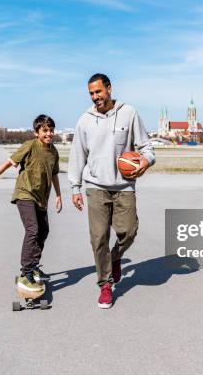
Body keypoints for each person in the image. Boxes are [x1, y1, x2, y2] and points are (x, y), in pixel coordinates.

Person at [68, 73, 155, 308]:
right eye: (91, 94)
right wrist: (75, 187)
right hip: (95, 186)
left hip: (124, 186)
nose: (95, 97)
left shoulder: (129, 113)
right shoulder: (85, 120)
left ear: (109, 89)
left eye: (98, 91)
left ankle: (116, 256)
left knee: (129, 231)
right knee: (98, 238)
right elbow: (78, 155)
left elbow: (146, 147)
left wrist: (146, 161)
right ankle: (105, 285)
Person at [0, 114, 62, 292]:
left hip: (41, 198)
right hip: (25, 194)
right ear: (36, 132)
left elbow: (54, 174)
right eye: (45, 130)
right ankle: (25, 274)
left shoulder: (53, 151)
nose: (49, 133)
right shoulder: (29, 146)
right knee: (33, 229)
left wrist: (58, 195)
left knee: (44, 231)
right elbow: (8, 163)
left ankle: (34, 266)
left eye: (51, 130)